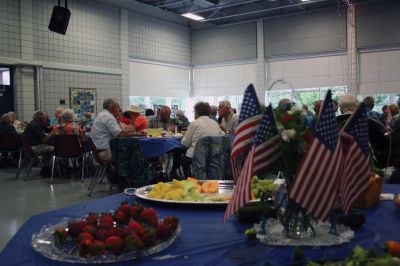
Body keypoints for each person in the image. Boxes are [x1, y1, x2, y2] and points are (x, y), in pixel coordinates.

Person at [181, 102, 224, 177]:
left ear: (197, 112)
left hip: (195, 156)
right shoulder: (215, 123)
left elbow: (185, 143)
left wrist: (185, 135)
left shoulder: (194, 123)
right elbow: (223, 136)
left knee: (183, 159)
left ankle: (187, 178)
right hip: (212, 156)